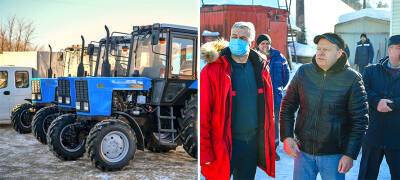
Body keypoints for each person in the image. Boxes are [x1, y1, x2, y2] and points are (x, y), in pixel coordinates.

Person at [280, 33, 368, 180]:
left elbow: (360, 120)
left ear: (339, 53)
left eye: (326, 49)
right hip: (303, 152)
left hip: (334, 155)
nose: (320, 52)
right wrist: (287, 136)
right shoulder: (303, 72)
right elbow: (288, 106)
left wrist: (350, 154)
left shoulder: (352, 79)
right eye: (319, 48)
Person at [200, 22, 275, 179]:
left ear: (252, 43)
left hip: (250, 143)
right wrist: (205, 151)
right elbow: (203, 114)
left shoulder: (260, 68)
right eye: (234, 37)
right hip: (223, 144)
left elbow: (268, 109)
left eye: (242, 37)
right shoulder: (213, 70)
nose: (237, 40)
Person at [358, 35, 400, 180]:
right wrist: (376, 102)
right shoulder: (371, 71)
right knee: (366, 175)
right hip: (373, 134)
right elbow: (362, 91)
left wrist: (392, 104)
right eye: (399, 48)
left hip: (397, 137)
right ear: (390, 49)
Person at [256, 34, 290, 161]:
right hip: (259, 98)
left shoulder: (279, 57)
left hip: (275, 97)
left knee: (274, 124)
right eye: (262, 44)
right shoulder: (254, 58)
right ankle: (259, 150)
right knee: (259, 123)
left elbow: (286, 76)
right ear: (258, 46)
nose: (265, 46)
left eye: (266, 43)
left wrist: (278, 88)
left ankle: (272, 150)